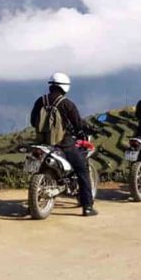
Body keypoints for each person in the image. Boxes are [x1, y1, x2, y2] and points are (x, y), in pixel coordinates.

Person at [29, 72, 97, 216]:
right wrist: (86, 128)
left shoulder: (40, 101)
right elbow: (78, 124)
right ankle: (87, 207)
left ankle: (32, 204)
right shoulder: (67, 104)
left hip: (42, 142)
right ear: (65, 87)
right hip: (63, 143)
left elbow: (33, 121)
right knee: (82, 170)